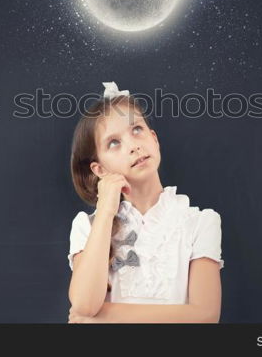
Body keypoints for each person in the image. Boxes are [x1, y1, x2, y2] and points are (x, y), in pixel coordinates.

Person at [67, 81, 224, 323]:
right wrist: (106, 211)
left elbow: (205, 315)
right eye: (114, 143)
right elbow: (85, 304)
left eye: (137, 129)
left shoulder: (200, 222)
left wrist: (105, 316)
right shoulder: (88, 227)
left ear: (154, 139)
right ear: (99, 169)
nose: (134, 146)